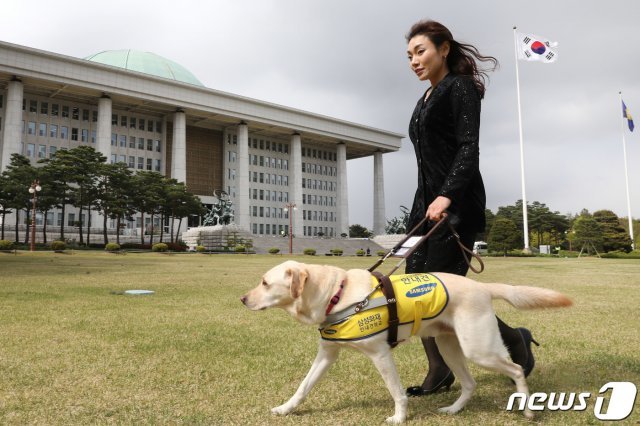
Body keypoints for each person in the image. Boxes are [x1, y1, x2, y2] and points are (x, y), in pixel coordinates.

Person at [403, 19, 538, 396]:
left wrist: (446, 196)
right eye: (410, 55)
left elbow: (467, 148)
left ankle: (515, 342)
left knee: (442, 293)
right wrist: (424, 206)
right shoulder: (424, 98)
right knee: (414, 290)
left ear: (443, 49)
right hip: (425, 208)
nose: (414, 60)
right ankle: (440, 367)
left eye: (421, 51)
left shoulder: (460, 88)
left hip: (456, 203)